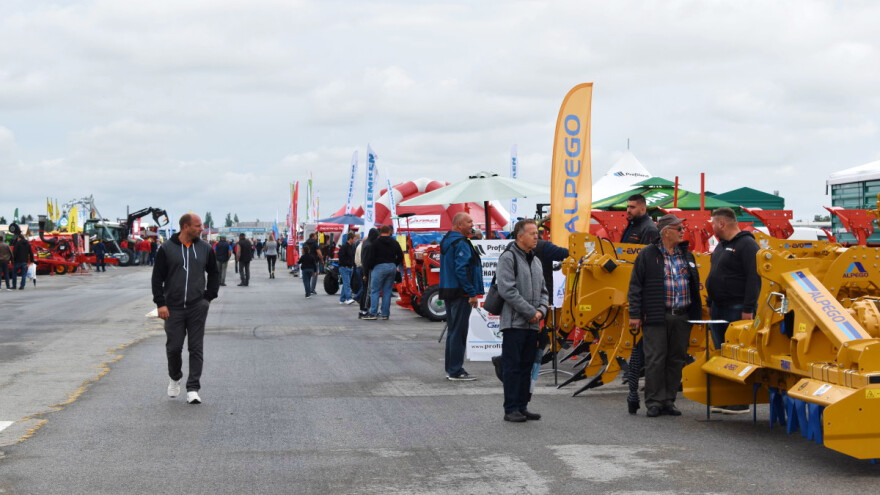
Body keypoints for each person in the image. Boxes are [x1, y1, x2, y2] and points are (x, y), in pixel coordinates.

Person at [628, 214, 701, 418]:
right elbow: (635, 286)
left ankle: (669, 400)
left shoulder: (686, 255)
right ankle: (654, 401)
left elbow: (694, 284)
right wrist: (635, 314)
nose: (682, 232)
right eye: (679, 229)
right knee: (655, 359)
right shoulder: (647, 255)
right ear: (666, 231)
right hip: (656, 315)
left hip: (682, 315)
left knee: (676, 359)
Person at [151, 214, 219, 405]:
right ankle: (175, 377)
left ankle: (193, 389)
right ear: (185, 227)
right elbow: (157, 278)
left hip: (197, 306)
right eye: (198, 226)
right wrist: (160, 303)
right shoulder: (166, 249)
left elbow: (214, 272)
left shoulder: (205, 248)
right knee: (174, 348)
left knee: (196, 348)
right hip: (172, 308)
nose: (201, 229)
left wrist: (208, 297)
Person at [706, 207, 761, 415]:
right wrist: (711, 301)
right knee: (721, 353)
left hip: (736, 308)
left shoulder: (747, 245)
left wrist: (748, 309)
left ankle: (740, 401)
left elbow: (754, 279)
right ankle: (727, 397)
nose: (711, 228)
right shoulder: (721, 247)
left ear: (722, 223)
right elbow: (714, 274)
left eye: (713, 224)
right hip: (718, 307)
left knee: (737, 354)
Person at [497, 219, 549, 423]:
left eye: (537, 233)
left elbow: (544, 291)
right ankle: (510, 408)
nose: (537, 236)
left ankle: (522, 406)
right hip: (515, 323)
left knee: (527, 365)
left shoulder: (536, 261)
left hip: (533, 323)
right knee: (512, 366)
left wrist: (541, 311)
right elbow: (507, 290)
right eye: (532, 233)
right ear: (520, 236)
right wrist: (530, 312)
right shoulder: (508, 258)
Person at [620, 193, 661, 415]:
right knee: (637, 347)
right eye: (628, 206)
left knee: (639, 347)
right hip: (632, 289)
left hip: (643, 295)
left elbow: (648, 266)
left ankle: (637, 389)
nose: (628, 210)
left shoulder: (649, 230)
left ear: (643, 209)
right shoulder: (632, 226)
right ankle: (634, 388)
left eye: (632, 207)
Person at [439, 213, 483, 380]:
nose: (472, 224)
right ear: (459, 225)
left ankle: (452, 368)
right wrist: (471, 293)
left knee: (453, 331)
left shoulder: (448, 240)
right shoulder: (461, 242)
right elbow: (462, 269)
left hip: (450, 291)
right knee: (458, 332)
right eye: (469, 222)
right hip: (460, 293)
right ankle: (456, 370)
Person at [364, 226, 404, 320]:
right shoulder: (394, 242)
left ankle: (373, 313)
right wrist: (394, 263)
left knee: (375, 291)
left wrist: (370, 268)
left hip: (379, 267)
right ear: (389, 232)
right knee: (387, 291)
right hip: (391, 267)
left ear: (380, 232)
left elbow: (370, 257)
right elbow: (400, 255)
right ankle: (385, 314)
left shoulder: (375, 243)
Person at [357, 229, 379, 318]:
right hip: (367, 270)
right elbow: (365, 261)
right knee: (367, 290)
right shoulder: (369, 245)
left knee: (366, 290)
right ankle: (364, 309)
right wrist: (365, 274)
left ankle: (364, 309)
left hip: (365, 269)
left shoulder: (366, 243)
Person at [337, 232, 357, 304]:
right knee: (347, 283)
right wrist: (346, 264)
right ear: (350, 239)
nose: (355, 240)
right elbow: (341, 257)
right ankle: (348, 298)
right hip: (344, 267)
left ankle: (342, 299)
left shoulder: (351, 246)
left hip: (350, 267)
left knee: (346, 283)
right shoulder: (344, 247)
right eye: (354, 239)